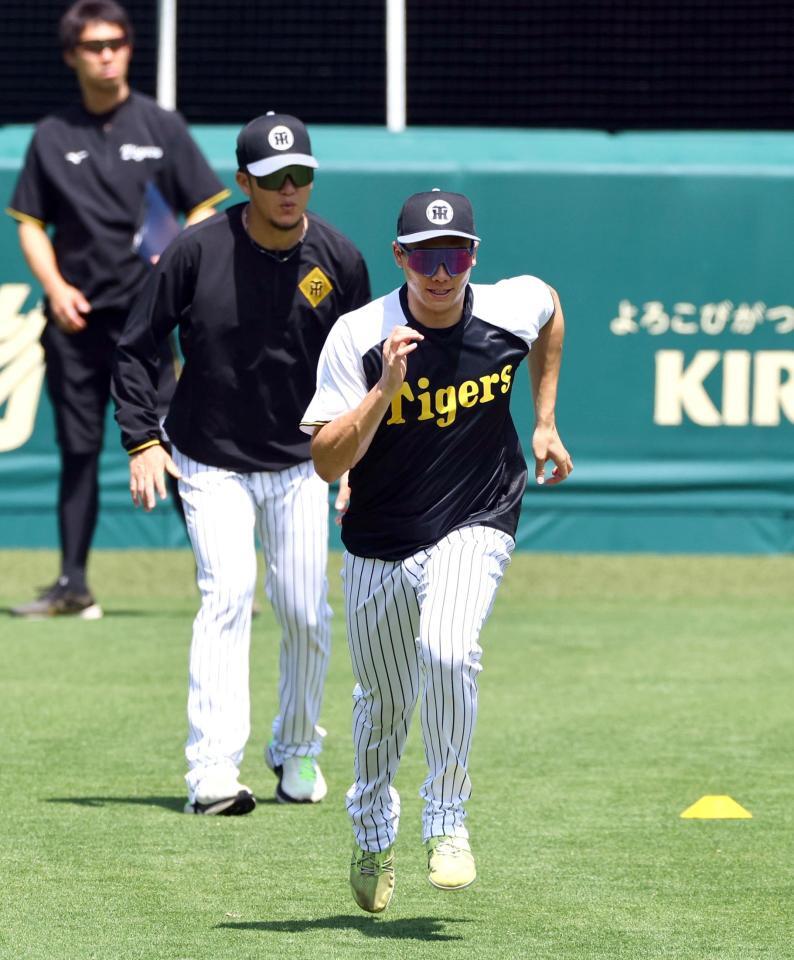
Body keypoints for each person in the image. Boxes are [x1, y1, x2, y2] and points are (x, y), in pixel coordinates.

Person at [302, 189, 573, 912]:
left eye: (454, 256)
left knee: (450, 650)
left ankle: (448, 821)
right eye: (426, 257)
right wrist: (385, 387)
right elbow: (328, 463)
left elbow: (549, 307)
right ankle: (371, 832)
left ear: (473, 257)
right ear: (401, 258)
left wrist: (544, 420)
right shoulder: (360, 336)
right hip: (381, 539)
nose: (441, 273)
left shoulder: (507, 306)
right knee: (383, 705)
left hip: (477, 515)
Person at [111, 112, 371, 815]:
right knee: (226, 595)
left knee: (305, 613)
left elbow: (363, 371)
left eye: (301, 177)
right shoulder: (195, 252)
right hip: (210, 456)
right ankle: (213, 773)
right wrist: (143, 440)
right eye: (273, 179)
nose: (290, 190)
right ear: (243, 183)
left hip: (299, 460)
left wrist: (354, 463)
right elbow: (136, 346)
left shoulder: (340, 261)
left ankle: (297, 751)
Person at [6, 0, 229, 620]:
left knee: (175, 443)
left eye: (117, 42)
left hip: (149, 326)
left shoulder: (160, 126)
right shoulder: (53, 136)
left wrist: (176, 267)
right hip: (76, 325)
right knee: (77, 450)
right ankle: (73, 585)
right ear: (72, 55)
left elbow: (205, 206)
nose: (107, 53)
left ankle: (223, 580)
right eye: (94, 45)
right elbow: (28, 222)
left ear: (130, 48)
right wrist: (54, 287)